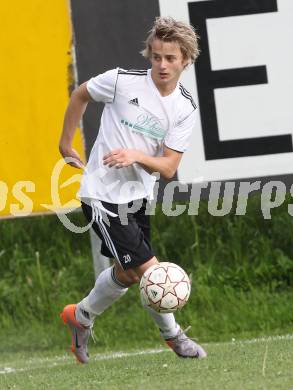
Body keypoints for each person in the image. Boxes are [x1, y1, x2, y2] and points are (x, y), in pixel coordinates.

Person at [59, 16, 207, 363]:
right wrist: (65, 143)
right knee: (152, 271)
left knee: (127, 273)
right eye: (156, 56)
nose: (162, 65)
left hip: (137, 197)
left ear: (186, 58)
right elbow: (81, 94)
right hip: (101, 194)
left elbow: (169, 167)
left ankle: (79, 317)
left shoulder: (184, 107)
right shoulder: (121, 82)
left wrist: (136, 156)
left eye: (170, 58)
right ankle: (175, 336)